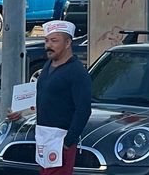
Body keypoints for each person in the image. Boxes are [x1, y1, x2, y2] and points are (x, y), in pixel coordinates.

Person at [7, 20, 91, 175]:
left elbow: (84, 110)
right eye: (46, 40)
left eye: (54, 41)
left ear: (68, 43)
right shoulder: (47, 66)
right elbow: (45, 100)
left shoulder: (77, 72)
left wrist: (67, 142)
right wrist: (22, 112)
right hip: (43, 138)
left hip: (60, 139)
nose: (48, 45)